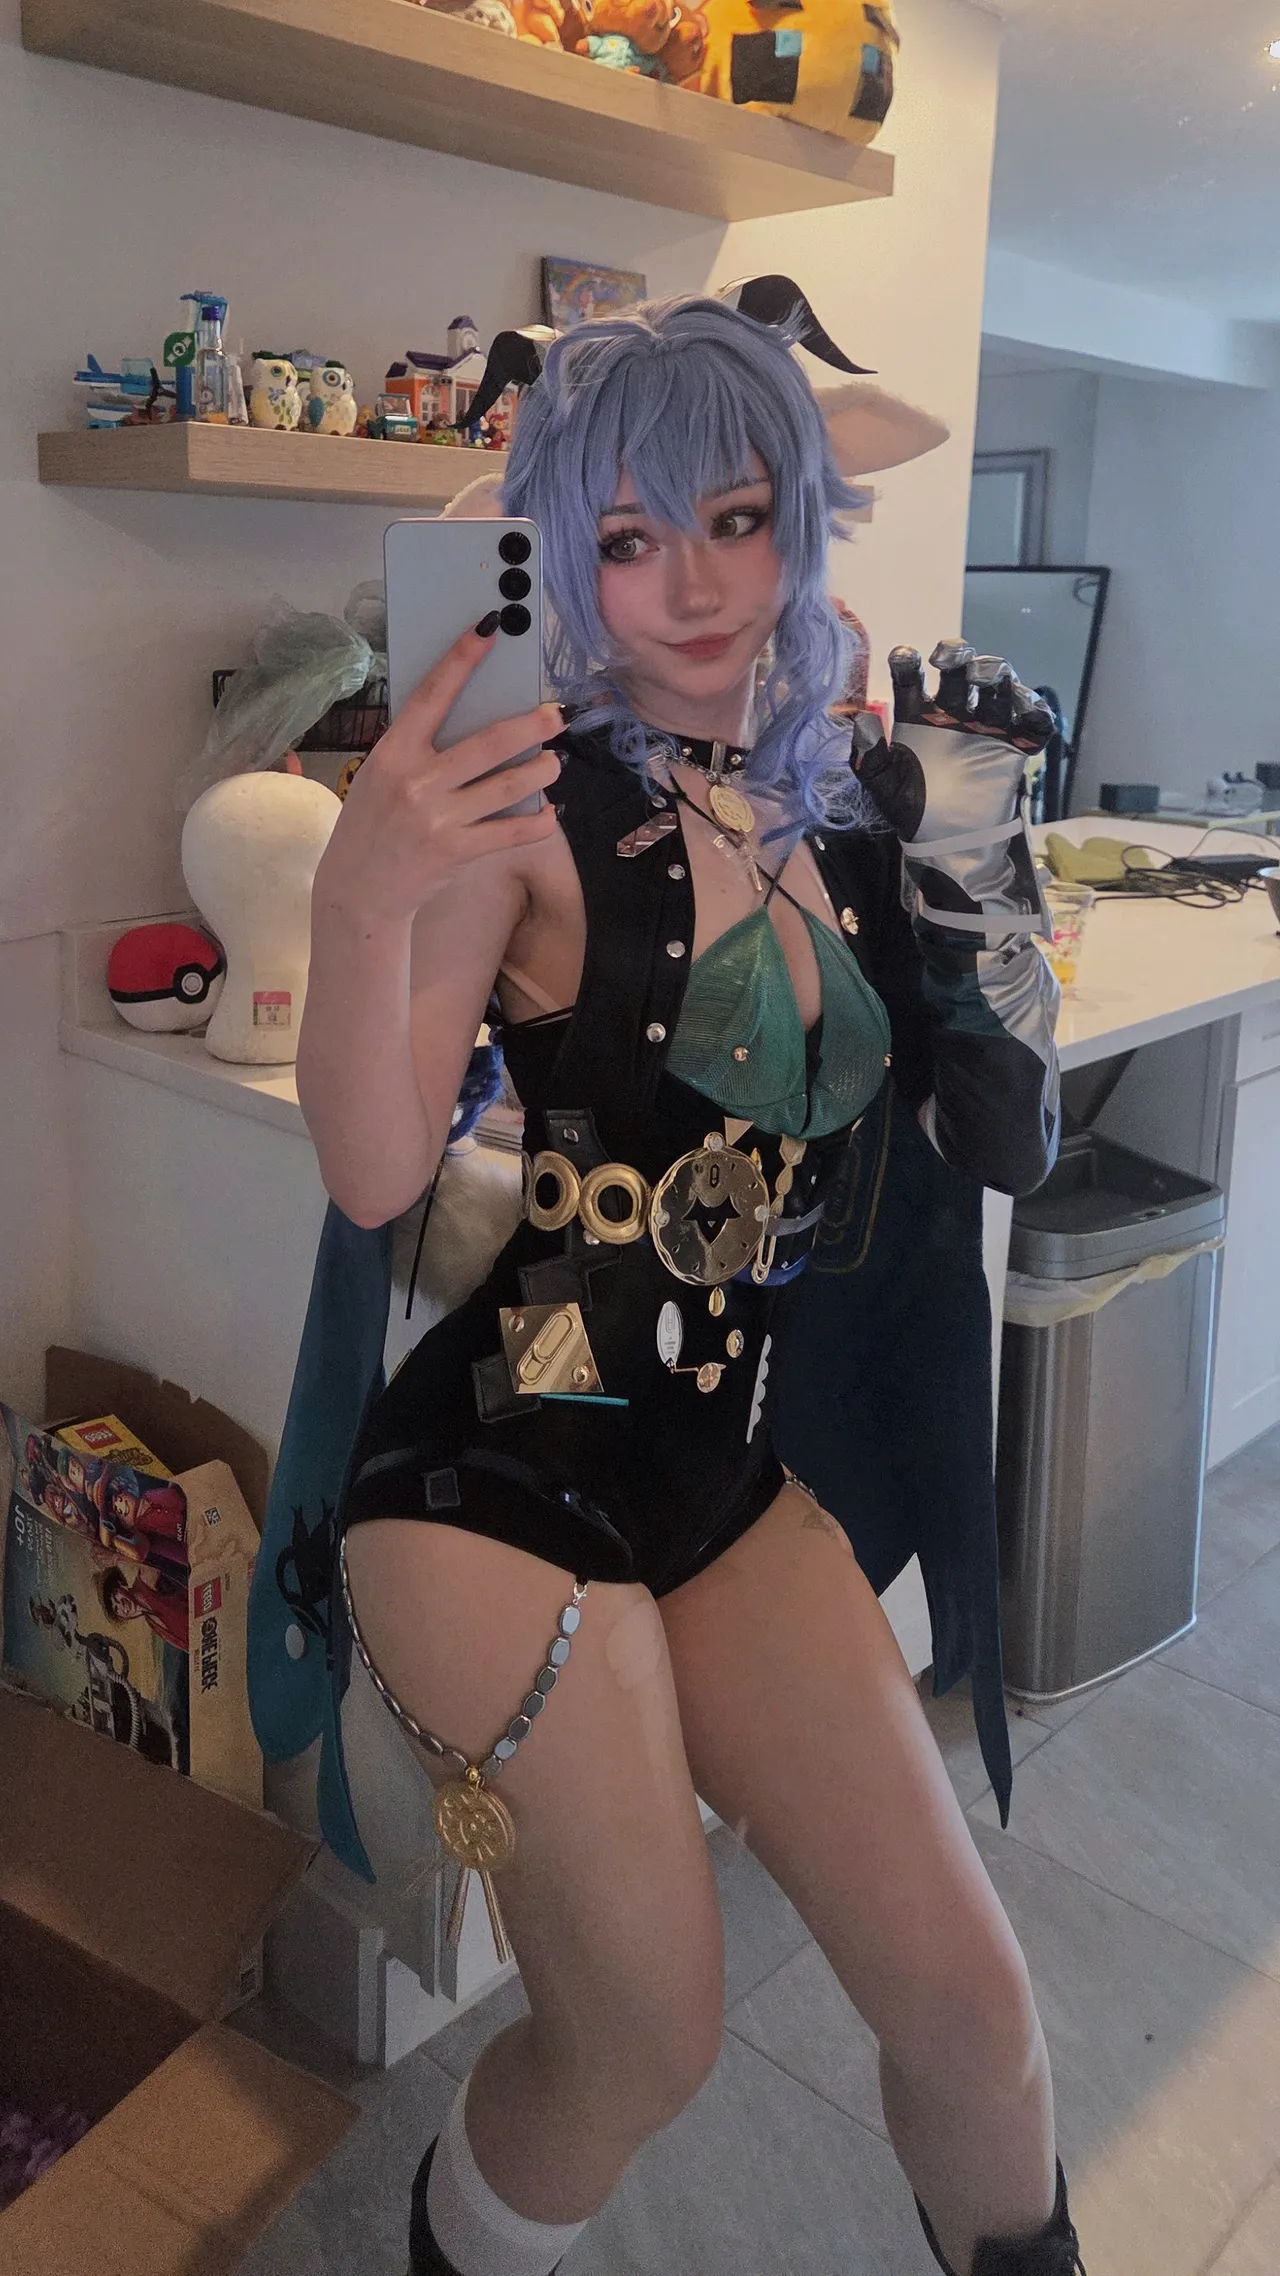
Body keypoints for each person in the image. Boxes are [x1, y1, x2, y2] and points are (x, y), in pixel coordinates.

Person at [292, 293, 1079, 2276]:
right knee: (646, 2040)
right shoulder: (526, 803)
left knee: (974, 2007)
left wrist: (987, 867)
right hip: (495, 1470)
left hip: (718, 1467)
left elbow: (999, 1131)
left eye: (737, 518)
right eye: (626, 539)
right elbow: (376, 1171)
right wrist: (363, 893)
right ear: (565, 553)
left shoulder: (850, 801)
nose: (697, 587)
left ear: (801, 515)